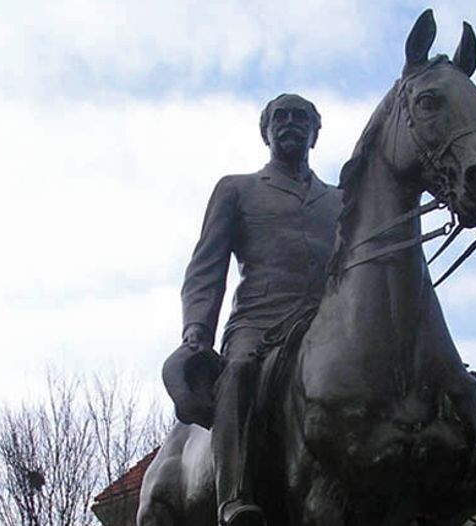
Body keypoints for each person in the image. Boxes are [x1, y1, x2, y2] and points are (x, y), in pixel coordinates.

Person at [179, 94, 341, 526]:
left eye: (301, 117)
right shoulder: (237, 189)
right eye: (281, 117)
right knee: (240, 372)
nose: (291, 123)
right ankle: (233, 495)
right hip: (261, 323)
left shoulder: (341, 200)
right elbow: (207, 265)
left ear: (315, 132)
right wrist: (197, 328)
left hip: (329, 327)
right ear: (265, 131)